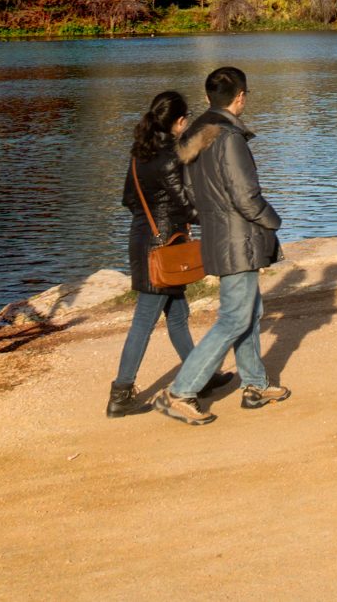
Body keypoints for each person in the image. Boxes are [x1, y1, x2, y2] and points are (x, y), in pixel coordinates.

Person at [154, 66, 290, 426]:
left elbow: (188, 196)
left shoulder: (196, 136)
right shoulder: (228, 138)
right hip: (239, 236)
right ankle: (180, 392)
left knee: (249, 312)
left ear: (207, 98)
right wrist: (272, 220)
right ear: (240, 97)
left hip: (219, 234)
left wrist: (212, 220)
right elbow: (246, 196)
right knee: (234, 317)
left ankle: (255, 384)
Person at [110, 89, 209, 416]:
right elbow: (184, 205)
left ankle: (200, 375)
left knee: (178, 316)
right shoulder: (168, 157)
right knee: (144, 320)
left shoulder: (139, 152)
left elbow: (128, 199)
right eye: (186, 120)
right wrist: (216, 218)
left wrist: (150, 215)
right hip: (164, 247)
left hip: (142, 240)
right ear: (179, 122)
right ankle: (121, 393)